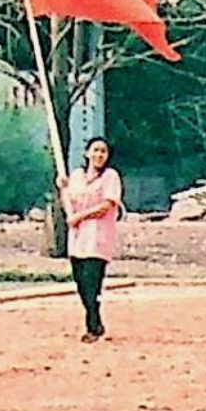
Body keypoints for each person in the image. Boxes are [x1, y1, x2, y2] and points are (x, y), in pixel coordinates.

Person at [61, 136, 123, 341]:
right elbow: (69, 200)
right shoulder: (77, 176)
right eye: (95, 150)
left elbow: (107, 205)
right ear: (87, 153)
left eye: (103, 151)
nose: (99, 155)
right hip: (78, 237)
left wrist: (80, 216)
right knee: (80, 282)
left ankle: (92, 326)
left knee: (91, 282)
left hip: (98, 238)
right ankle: (96, 321)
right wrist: (63, 189)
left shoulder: (111, 177)